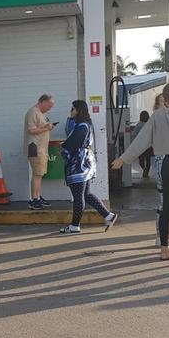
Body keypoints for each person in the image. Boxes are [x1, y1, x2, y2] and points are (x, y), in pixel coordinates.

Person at [113, 82, 169, 263]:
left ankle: (165, 250)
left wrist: (123, 159)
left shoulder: (156, 117)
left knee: (166, 208)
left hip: (166, 164)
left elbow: (141, 141)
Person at [59, 100, 118, 234]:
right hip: (86, 163)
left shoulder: (81, 127)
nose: (71, 112)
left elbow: (71, 143)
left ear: (78, 110)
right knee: (86, 194)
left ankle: (75, 226)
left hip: (78, 165)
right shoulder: (87, 124)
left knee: (78, 195)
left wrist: (62, 148)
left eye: (72, 109)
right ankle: (108, 216)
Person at [151, 95, 169, 247]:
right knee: (165, 202)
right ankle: (161, 236)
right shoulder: (158, 119)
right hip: (163, 161)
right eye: (165, 102)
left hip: (168, 161)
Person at [24, 94, 55, 210]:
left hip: (41, 148)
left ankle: (37, 196)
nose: (50, 108)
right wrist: (47, 128)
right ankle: (34, 199)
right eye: (49, 105)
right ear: (43, 102)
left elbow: (39, 127)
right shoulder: (33, 112)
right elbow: (31, 130)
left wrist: (47, 126)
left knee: (40, 174)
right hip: (35, 147)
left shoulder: (41, 113)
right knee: (37, 174)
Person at [132, 111, 153, 178]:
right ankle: (146, 171)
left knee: (141, 159)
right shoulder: (150, 124)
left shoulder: (138, 125)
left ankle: (143, 168)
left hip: (140, 145)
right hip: (149, 145)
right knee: (148, 159)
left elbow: (134, 135)